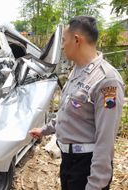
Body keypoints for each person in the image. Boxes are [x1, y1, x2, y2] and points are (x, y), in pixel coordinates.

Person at [29, 16, 125, 190]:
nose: (63, 45)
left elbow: (105, 140)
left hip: (86, 165)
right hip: (69, 162)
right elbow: (67, 112)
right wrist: (44, 130)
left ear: (77, 40)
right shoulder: (77, 71)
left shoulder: (106, 80)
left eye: (64, 41)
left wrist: (96, 184)